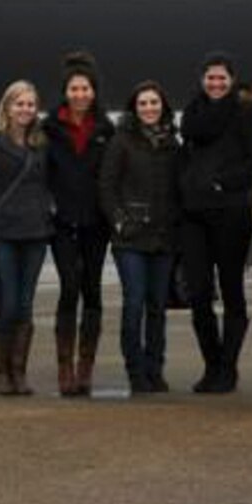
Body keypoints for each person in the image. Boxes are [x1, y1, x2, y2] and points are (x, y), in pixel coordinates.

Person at [178, 50, 252, 394]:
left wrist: (221, 183)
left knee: (231, 293)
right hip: (194, 214)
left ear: (231, 80)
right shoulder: (192, 115)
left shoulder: (244, 113)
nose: (216, 83)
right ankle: (211, 364)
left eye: (221, 78)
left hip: (229, 213)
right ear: (202, 80)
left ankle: (228, 367)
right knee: (197, 292)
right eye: (210, 77)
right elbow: (186, 156)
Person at [98, 81, 181, 394]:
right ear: (134, 108)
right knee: (134, 303)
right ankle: (135, 371)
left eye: (154, 103)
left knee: (158, 306)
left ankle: (155, 368)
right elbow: (107, 186)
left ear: (163, 106)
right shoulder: (122, 142)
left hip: (163, 238)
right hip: (130, 239)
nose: (149, 108)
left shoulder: (173, 142)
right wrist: (120, 222)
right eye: (143, 103)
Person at [0, 79, 54, 396]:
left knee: (25, 306)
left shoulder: (41, 142)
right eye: (19, 103)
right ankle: (0, 372)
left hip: (35, 233)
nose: (25, 109)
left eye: (31, 104)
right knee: (7, 305)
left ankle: (19, 372)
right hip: (3, 233)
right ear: (7, 107)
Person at [44, 51, 115, 397]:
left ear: (94, 91)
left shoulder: (106, 129)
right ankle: (64, 368)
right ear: (65, 91)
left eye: (85, 89)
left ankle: (85, 367)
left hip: (96, 224)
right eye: (74, 89)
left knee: (93, 291)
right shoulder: (49, 129)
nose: (80, 95)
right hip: (62, 223)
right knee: (69, 287)